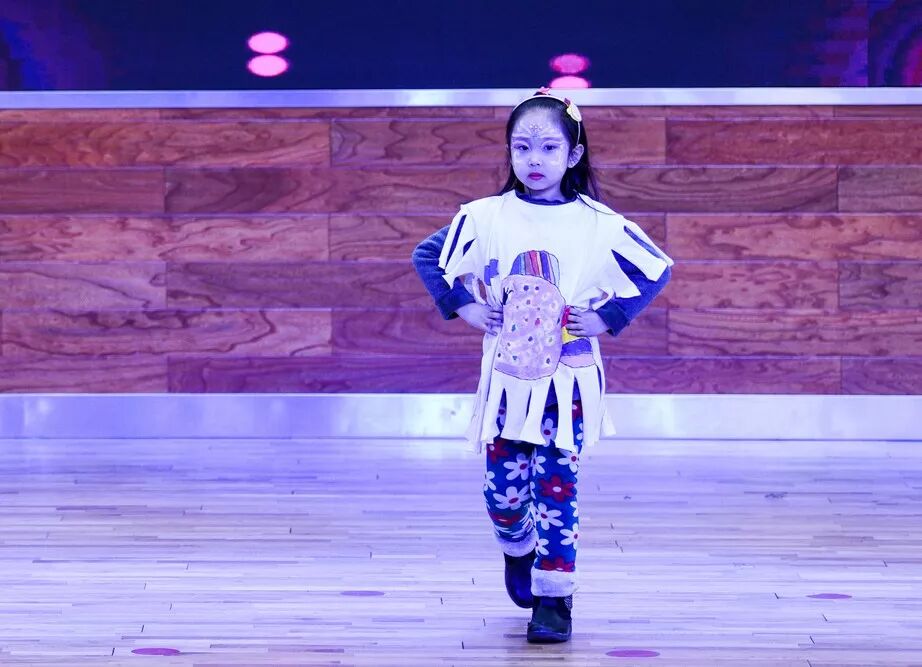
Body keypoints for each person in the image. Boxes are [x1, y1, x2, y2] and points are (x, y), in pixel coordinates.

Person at [411, 88, 673, 643]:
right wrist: (464, 305)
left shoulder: (599, 224)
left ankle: (555, 600)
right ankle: (517, 546)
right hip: (508, 387)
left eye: (549, 147)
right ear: (509, 151)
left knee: (558, 488)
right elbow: (429, 255)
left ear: (573, 154)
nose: (534, 159)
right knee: (503, 494)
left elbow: (655, 269)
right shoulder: (485, 217)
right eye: (522, 147)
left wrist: (609, 317)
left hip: (567, 385)